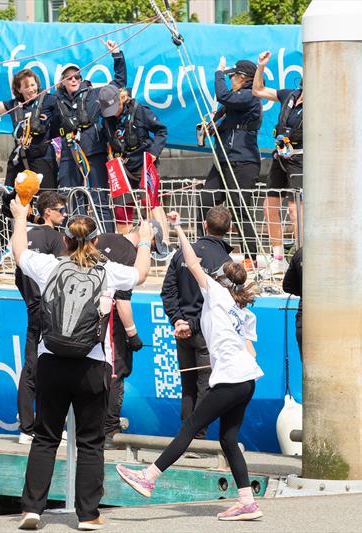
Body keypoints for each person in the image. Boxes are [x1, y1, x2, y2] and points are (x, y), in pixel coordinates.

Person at [10, 197, 152, 531]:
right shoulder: (108, 272)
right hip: (91, 366)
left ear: (67, 239)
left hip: (51, 361)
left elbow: (18, 252)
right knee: (90, 442)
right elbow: (142, 274)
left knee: (45, 437)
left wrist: (19, 217)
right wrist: (144, 238)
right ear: (95, 241)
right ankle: (88, 514)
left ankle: (32, 509)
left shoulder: (50, 266)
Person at [117, 210, 263, 521]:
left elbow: (193, 263)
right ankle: (248, 502)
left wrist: (180, 227)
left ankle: (149, 478)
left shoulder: (217, 296)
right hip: (247, 379)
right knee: (228, 439)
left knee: (190, 426)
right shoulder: (242, 309)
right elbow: (250, 350)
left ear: (220, 280)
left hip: (231, 380)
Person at [161, 206, 233, 440]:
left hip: (183, 330)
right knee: (205, 386)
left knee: (188, 387)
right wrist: (187, 323)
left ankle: (186, 437)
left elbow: (167, 291)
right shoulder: (225, 261)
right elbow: (219, 303)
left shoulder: (183, 253)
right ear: (229, 229)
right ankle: (196, 438)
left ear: (204, 225)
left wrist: (177, 320)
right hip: (204, 332)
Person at [0, 68, 60, 265]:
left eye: (33, 85)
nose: (31, 89)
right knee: (9, 201)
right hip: (19, 159)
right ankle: (0, 249)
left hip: (42, 158)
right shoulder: (15, 105)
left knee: (47, 201)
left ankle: (51, 246)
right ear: (19, 89)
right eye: (26, 87)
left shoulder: (49, 100)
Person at [95, 226, 158, 448]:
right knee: (115, 372)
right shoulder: (130, 255)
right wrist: (133, 335)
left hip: (84, 316)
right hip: (107, 321)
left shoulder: (104, 237)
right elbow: (122, 300)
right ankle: (109, 431)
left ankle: (91, 426)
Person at [56, 40, 126, 233]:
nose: (73, 80)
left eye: (76, 76)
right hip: (70, 156)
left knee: (98, 198)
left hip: (93, 152)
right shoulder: (56, 101)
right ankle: (76, 239)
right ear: (62, 81)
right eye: (68, 77)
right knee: (73, 199)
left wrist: (117, 54)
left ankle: (107, 239)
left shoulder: (94, 94)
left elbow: (119, 83)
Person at [200, 58, 262, 271]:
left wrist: (218, 72)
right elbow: (225, 109)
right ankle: (207, 248)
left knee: (241, 210)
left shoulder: (249, 95)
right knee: (207, 199)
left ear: (243, 79)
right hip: (223, 159)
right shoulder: (232, 103)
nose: (230, 78)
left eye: (232, 76)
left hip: (243, 161)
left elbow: (223, 95)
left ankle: (250, 257)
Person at [16, 191, 67, 445]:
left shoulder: (26, 236)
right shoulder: (55, 237)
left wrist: (29, 299)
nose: (64, 214)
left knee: (30, 367)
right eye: (61, 210)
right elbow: (64, 275)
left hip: (32, 307)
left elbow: (19, 273)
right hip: (50, 311)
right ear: (48, 212)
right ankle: (49, 425)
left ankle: (26, 428)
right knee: (54, 367)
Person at [253, 51, 303, 273]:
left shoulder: (321, 102)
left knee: (296, 210)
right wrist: (261, 67)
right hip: (280, 155)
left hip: (300, 159)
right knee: (269, 206)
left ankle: (302, 257)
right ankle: (278, 258)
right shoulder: (289, 95)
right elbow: (258, 90)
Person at [99, 85, 168, 236]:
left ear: (121, 99)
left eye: (115, 108)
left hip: (143, 161)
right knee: (121, 207)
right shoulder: (106, 119)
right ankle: (126, 244)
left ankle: (163, 243)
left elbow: (161, 130)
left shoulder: (139, 110)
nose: (113, 113)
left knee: (150, 202)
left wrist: (153, 154)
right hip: (121, 165)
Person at [282, 247, 302, 359]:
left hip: (306, 321)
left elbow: (288, 286)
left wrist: (304, 292)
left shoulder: (301, 252)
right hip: (337, 322)